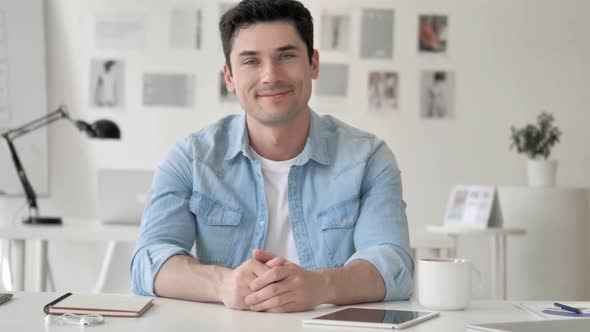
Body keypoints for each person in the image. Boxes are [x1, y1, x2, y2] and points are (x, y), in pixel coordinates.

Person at [130, 0, 413, 313]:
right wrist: (221, 284)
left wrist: (322, 285)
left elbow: (394, 265)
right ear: (229, 77)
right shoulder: (190, 158)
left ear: (314, 64)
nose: (270, 76)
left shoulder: (368, 158)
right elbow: (148, 261)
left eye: (287, 56)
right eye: (251, 61)